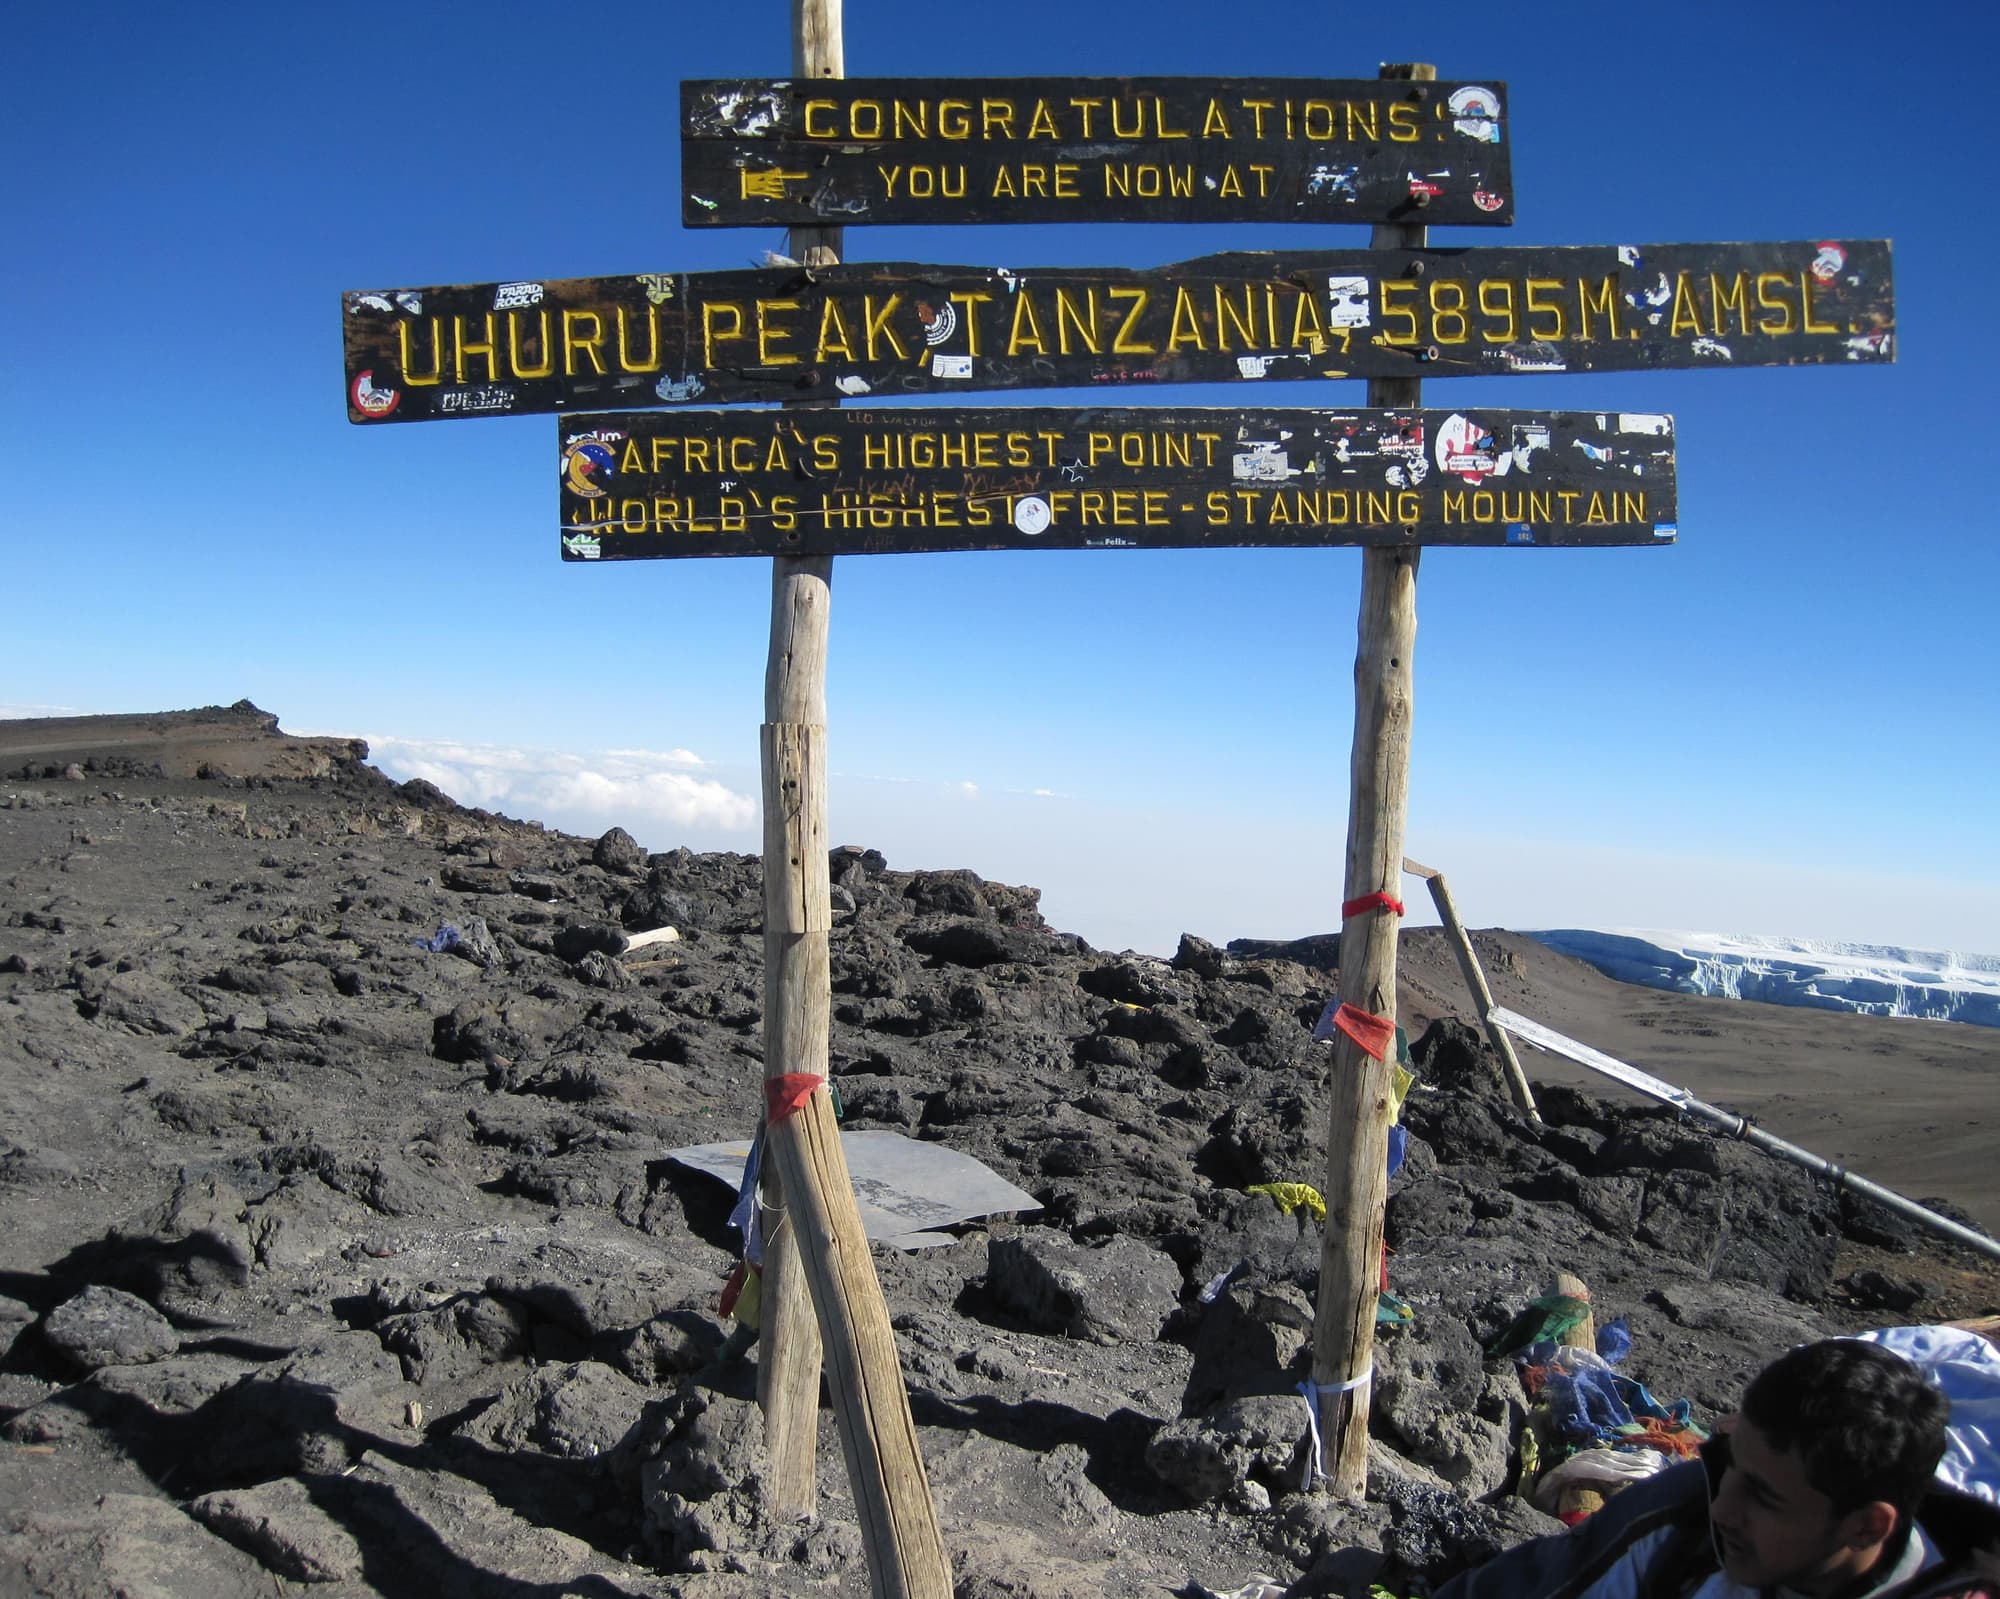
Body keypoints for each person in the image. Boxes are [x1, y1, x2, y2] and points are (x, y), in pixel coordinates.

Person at [1436, 1337, 2000, 1599]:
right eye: (1731, 1463)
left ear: (1867, 1527)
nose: (1725, 1506)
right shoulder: (1684, 1521)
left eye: (1765, 1497)